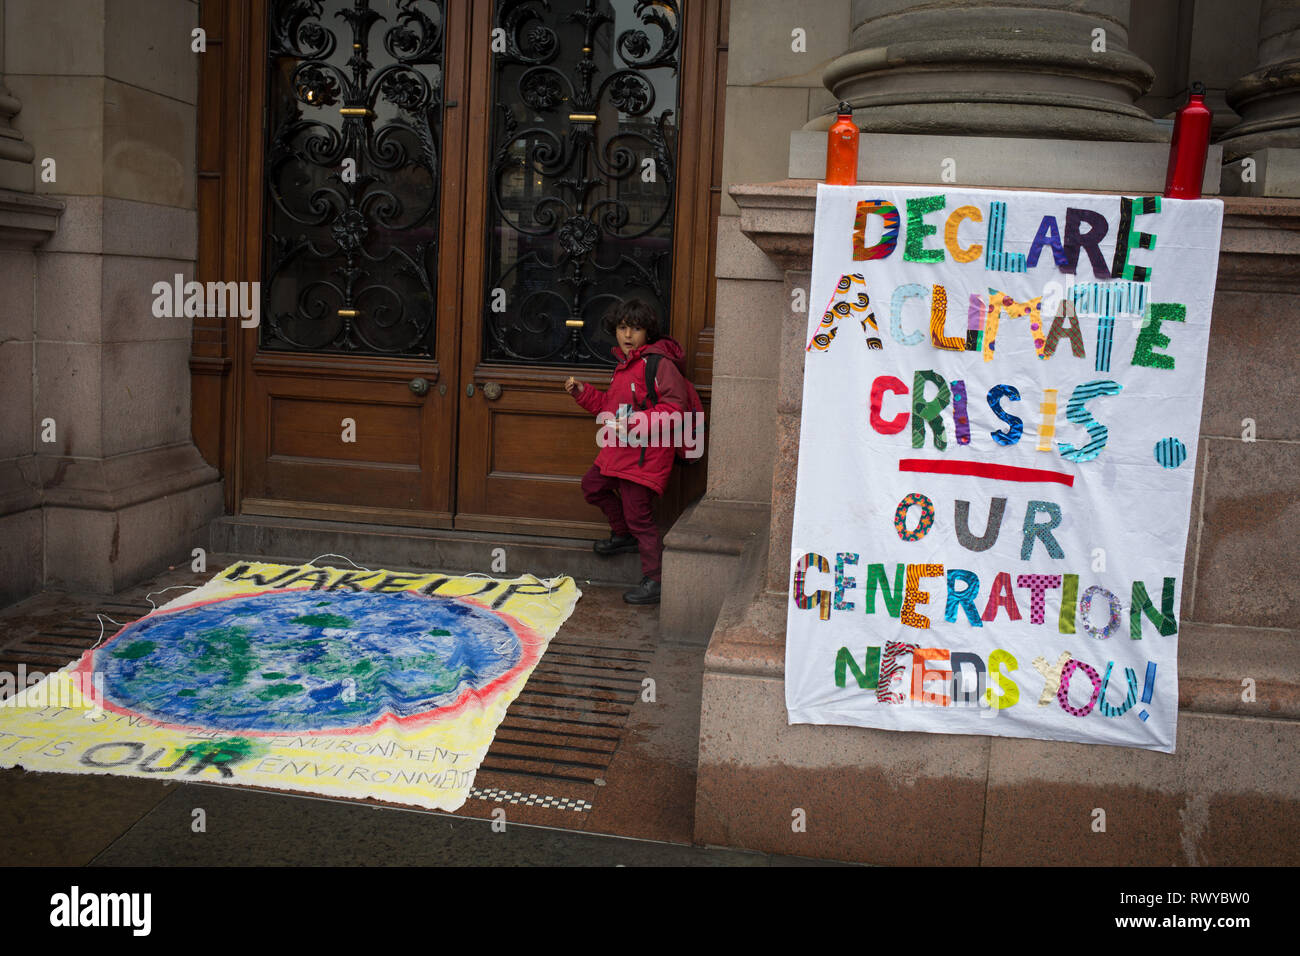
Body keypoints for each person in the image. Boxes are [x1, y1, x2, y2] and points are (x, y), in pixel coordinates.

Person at [564, 300, 691, 605]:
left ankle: (656, 579)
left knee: (641, 519)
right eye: (623, 327)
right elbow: (610, 408)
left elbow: (675, 410)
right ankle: (623, 536)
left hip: (645, 456)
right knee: (593, 487)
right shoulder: (624, 364)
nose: (628, 334)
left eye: (636, 328)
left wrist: (635, 422)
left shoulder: (659, 364)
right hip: (619, 452)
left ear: (648, 332)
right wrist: (584, 393)